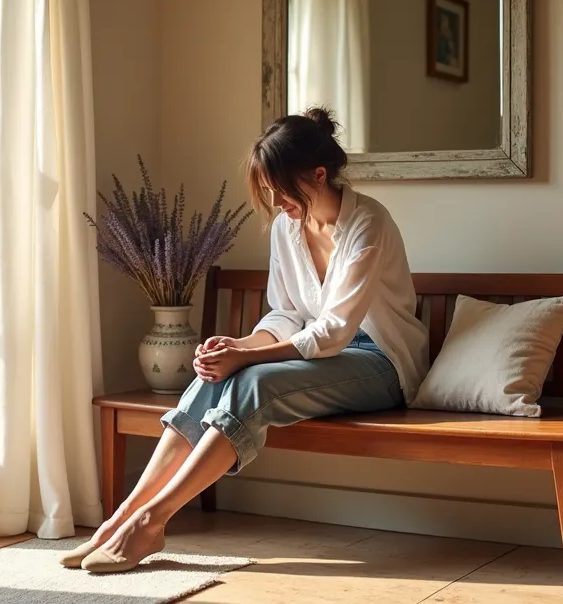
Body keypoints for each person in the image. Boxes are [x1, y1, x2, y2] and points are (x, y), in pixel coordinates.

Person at [58, 107, 430, 573]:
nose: (275, 201)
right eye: (268, 189)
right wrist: (236, 347)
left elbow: (335, 331)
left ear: (318, 174)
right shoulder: (286, 228)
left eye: (280, 187)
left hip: (382, 363)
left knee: (253, 383)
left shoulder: (368, 224)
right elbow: (288, 313)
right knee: (219, 378)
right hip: (322, 359)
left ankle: (151, 522)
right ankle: (122, 518)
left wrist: (246, 360)